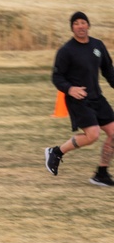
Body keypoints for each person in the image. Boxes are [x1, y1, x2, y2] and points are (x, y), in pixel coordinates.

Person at [44, 11, 114, 186]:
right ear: (72, 28)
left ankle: (101, 174)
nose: (80, 26)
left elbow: (108, 71)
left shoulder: (98, 46)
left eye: (83, 22)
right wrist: (70, 89)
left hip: (97, 98)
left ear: (88, 25)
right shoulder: (66, 51)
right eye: (76, 23)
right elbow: (57, 77)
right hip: (78, 100)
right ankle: (56, 151)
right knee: (93, 135)